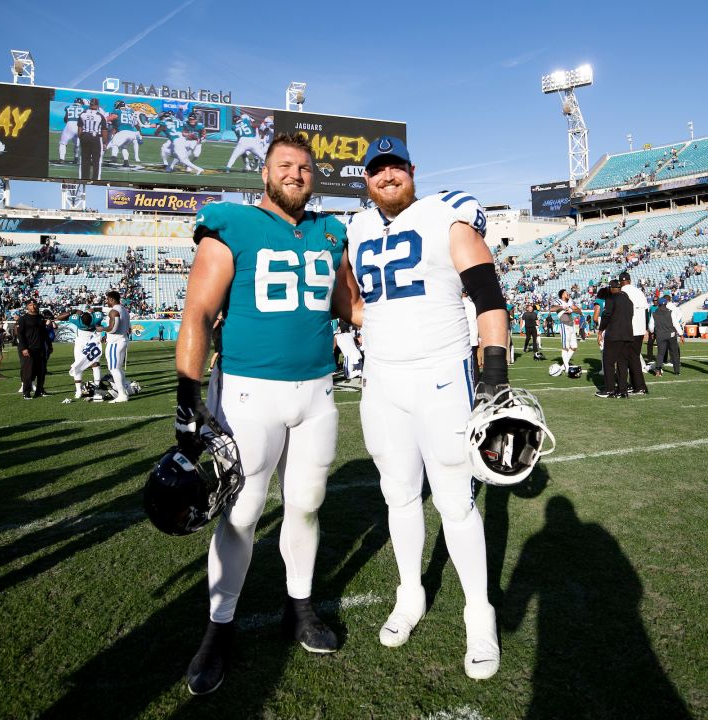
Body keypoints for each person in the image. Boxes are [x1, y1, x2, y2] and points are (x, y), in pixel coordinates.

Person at [173, 133, 358, 696]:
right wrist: (187, 402)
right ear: (265, 175)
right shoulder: (231, 221)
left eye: (304, 167)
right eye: (285, 165)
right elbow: (199, 313)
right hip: (249, 392)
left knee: (306, 503)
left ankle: (298, 607)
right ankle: (218, 627)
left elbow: (350, 306)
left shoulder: (332, 232)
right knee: (242, 510)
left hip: (317, 392)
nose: (296, 173)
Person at [347, 135, 507, 680]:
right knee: (398, 495)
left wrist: (494, 373)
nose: (386, 175)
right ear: (365, 179)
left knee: (455, 502)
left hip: (442, 376)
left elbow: (489, 296)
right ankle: (409, 594)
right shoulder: (356, 227)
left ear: (412, 171)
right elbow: (353, 300)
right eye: (376, 169)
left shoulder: (448, 215)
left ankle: (477, 614)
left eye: (395, 166)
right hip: (383, 379)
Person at [596, 280, 634, 398]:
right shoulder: (629, 301)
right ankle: (623, 390)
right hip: (627, 334)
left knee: (608, 362)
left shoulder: (611, 299)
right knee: (623, 363)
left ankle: (610, 389)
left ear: (612, 288)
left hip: (614, 335)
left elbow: (606, 316)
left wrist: (600, 331)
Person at [59, 308, 104, 398]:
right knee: (95, 364)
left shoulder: (77, 320)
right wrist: (92, 311)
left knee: (78, 365)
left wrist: (74, 312)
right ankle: (97, 387)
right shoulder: (96, 318)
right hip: (92, 342)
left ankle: (78, 391)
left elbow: (62, 317)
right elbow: (99, 314)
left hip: (80, 344)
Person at [618, 272, 649, 395]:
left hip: (628, 330)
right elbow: (646, 311)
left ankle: (635, 386)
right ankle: (637, 385)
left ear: (620, 282)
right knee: (634, 358)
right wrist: (645, 328)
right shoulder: (639, 292)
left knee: (624, 359)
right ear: (630, 280)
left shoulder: (622, 293)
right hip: (640, 330)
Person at [16, 300, 49, 399]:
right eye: (30, 305)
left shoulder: (40, 318)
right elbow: (20, 335)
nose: (33, 306)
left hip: (41, 348)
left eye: (34, 304)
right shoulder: (23, 319)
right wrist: (24, 348)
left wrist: (49, 345)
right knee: (28, 372)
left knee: (42, 371)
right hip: (29, 348)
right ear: (27, 307)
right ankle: (26, 392)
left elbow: (44, 333)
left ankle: (40, 390)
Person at [103, 290, 131, 403]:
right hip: (122, 340)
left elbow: (113, 329)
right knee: (118, 368)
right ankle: (124, 390)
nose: (106, 301)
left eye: (107, 299)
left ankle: (122, 394)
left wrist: (102, 329)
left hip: (115, 342)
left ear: (111, 299)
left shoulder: (115, 310)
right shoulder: (124, 309)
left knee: (114, 369)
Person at [649, 293, 684, 376]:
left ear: (658, 304)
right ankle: (676, 371)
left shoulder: (654, 313)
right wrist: (681, 334)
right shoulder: (670, 312)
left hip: (660, 335)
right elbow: (676, 324)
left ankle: (658, 370)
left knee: (660, 353)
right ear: (666, 303)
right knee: (674, 353)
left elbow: (651, 327)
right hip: (671, 334)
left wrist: (653, 332)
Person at [77, 98, 108, 181]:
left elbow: (79, 130)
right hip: (95, 138)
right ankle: (96, 179)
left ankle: (84, 179)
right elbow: (104, 131)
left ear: (90, 104)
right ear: (97, 105)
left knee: (84, 160)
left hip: (85, 136)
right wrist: (104, 143)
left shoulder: (82, 114)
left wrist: (81, 139)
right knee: (96, 161)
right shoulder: (100, 116)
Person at [58, 97, 87, 164]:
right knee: (77, 144)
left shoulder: (68, 107)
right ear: (81, 103)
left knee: (63, 143)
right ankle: (76, 158)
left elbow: (65, 119)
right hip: (79, 126)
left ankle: (62, 159)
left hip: (69, 125)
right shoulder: (84, 108)